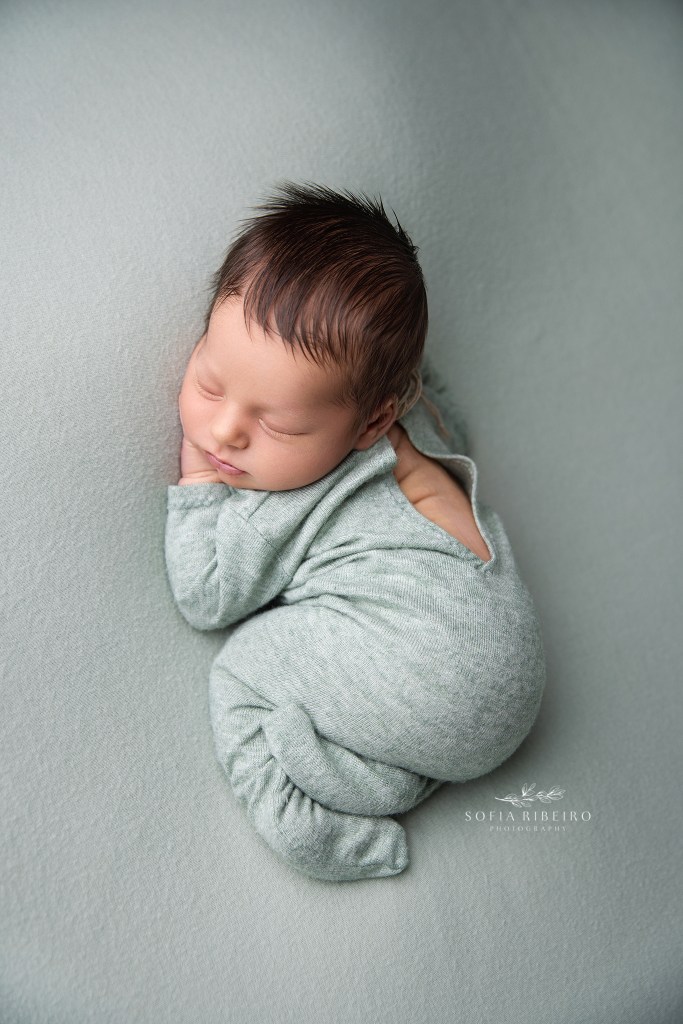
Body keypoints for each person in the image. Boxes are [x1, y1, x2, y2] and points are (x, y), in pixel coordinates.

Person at [164, 181, 546, 882]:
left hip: (427, 678)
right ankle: (390, 770)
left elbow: (205, 595)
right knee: (411, 719)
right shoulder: (419, 422)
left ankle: (315, 830)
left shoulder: (282, 496)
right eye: (211, 383)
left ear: (370, 422)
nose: (224, 433)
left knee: (243, 675)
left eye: (277, 424)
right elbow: (450, 413)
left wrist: (196, 486)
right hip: (513, 679)